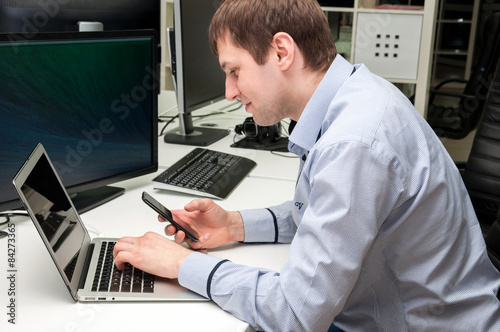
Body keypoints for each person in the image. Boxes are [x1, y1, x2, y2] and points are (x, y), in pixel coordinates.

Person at [113, 0, 500, 330]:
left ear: (281, 52)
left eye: (234, 71)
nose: (230, 92)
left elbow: (296, 314)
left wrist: (182, 266)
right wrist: (235, 225)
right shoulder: (354, 94)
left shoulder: (354, 143)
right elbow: (325, 212)